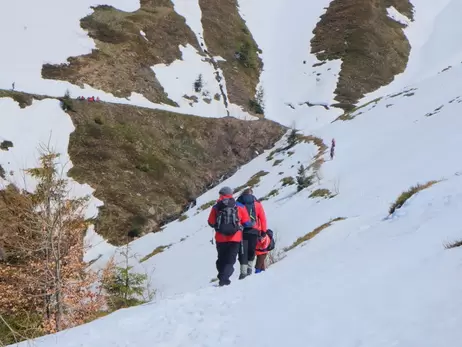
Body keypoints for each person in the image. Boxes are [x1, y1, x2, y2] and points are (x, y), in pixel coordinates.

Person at [208, 186, 253, 286]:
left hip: (220, 238)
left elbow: (211, 222)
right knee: (230, 260)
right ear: (231, 194)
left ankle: (222, 277)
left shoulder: (216, 207)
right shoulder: (239, 206)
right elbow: (247, 223)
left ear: (221, 194)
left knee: (221, 259)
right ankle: (224, 279)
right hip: (235, 238)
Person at [236, 188, 267, 279]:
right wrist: (263, 232)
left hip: (241, 230)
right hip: (254, 230)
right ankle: (249, 269)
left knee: (242, 251)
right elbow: (263, 219)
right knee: (251, 250)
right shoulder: (257, 204)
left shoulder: (238, 204)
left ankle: (243, 272)